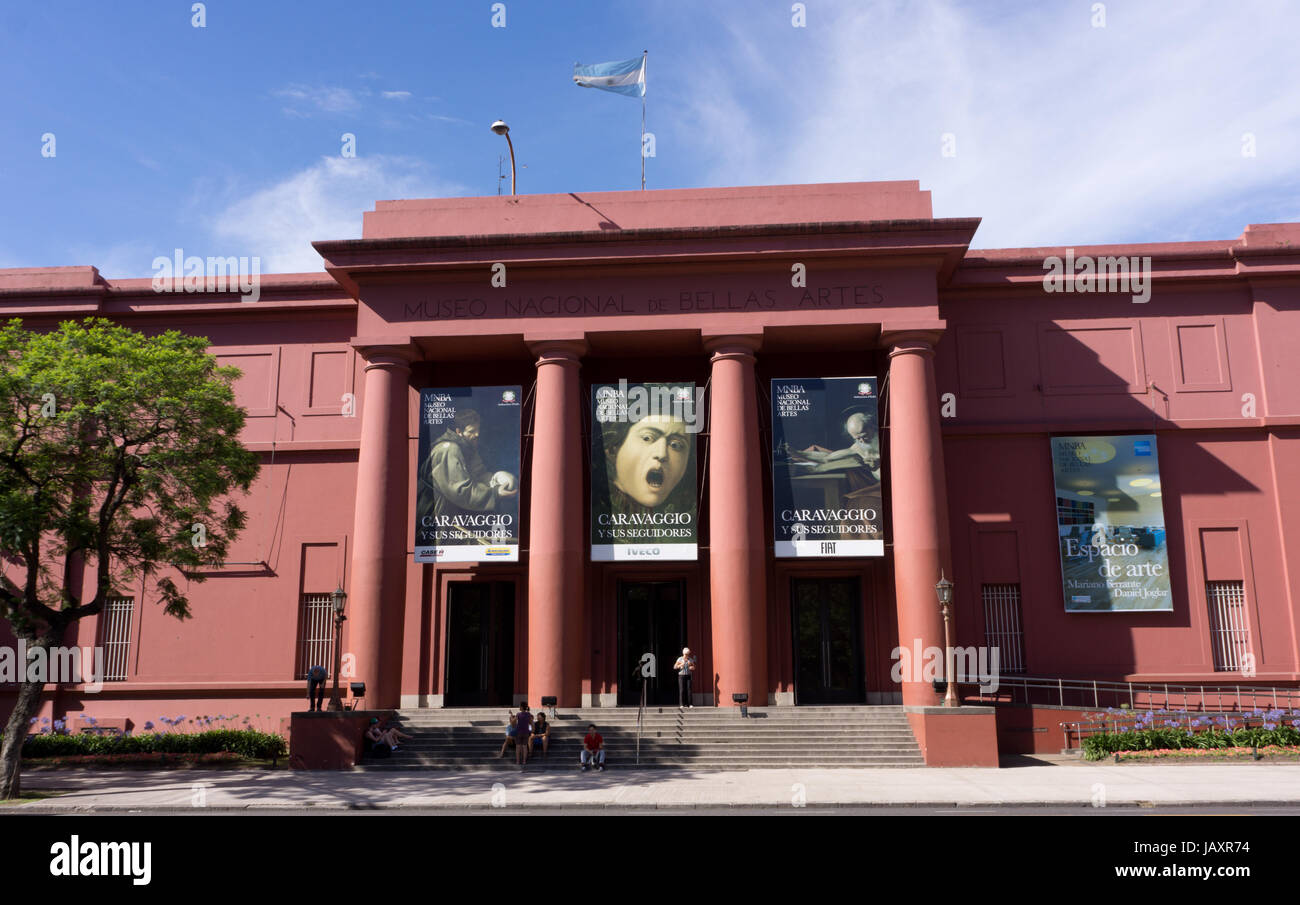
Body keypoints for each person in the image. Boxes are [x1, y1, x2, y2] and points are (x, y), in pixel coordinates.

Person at [425, 408, 518, 523]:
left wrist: (496, 478)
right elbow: (461, 492)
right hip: (437, 513)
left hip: (458, 513)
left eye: (478, 429)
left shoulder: (467, 445)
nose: (477, 434)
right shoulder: (448, 449)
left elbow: (478, 474)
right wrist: (495, 493)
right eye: (472, 431)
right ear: (459, 431)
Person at [514, 703, 534, 767]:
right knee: (525, 747)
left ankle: (518, 761)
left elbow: (513, 722)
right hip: (526, 732)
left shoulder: (518, 714)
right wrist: (532, 730)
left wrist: (512, 716)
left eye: (520, 706)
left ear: (522, 707)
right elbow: (531, 723)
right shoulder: (529, 714)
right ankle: (524, 761)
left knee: (518, 747)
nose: (519, 707)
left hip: (519, 732)